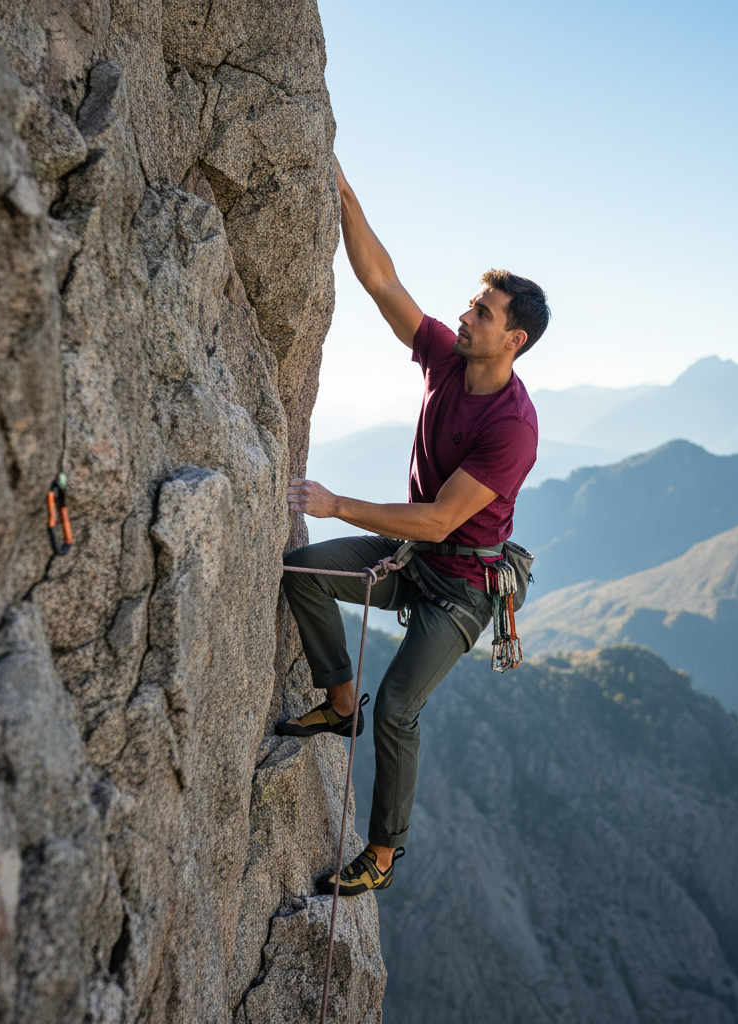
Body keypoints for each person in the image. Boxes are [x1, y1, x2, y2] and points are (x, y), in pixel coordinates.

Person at [277, 155, 549, 896]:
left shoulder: (513, 427)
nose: (464, 316)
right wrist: (343, 192)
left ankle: (383, 855)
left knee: (397, 708)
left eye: (482, 313)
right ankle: (338, 705)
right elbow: (382, 282)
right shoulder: (446, 359)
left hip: (459, 589)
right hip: (410, 555)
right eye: (470, 306)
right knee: (300, 575)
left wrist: (337, 506)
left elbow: (437, 520)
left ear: (514, 338)